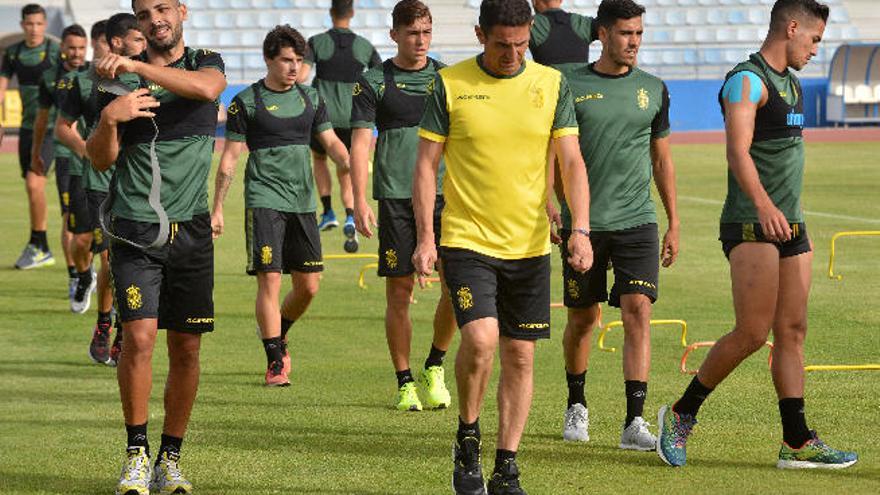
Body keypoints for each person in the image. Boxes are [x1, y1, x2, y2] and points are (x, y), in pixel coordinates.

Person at [656, 0, 858, 470]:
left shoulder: (792, 81)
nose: (815, 50)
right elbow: (737, 152)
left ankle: (796, 441)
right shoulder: (746, 80)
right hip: (751, 223)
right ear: (791, 28)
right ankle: (681, 414)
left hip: (791, 226)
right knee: (751, 332)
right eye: (813, 40)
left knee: (792, 331)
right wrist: (766, 207)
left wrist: (787, 214)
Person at [414, 1, 592, 492]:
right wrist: (426, 238)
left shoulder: (552, 85)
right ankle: (468, 434)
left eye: (520, 44)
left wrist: (581, 229)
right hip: (466, 239)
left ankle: (506, 464)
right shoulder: (449, 84)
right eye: (501, 44)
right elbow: (427, 165)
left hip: (530, 245)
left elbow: (572, 162)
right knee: (481, 339)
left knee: (520, 356)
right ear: (479, 34)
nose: (512, 54)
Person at [86, 0, 226, 492]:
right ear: (137, 22)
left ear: (182, 11)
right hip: (134, 231)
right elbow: (101, 161)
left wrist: (136, 65)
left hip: (191, 233)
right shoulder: (113, 83)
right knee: (140, 340)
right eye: (145, 13)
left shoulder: (207, 62)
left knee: (186, 347)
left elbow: (207, 90)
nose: (155, 19)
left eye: (163, 8)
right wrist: (110, 118)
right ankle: (136, 454)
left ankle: (171, 459)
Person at [554, 0, 679, 451]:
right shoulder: (568, 84)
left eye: (639, 33)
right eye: (626, 33)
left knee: (638, 311)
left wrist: (674, 221)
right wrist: (558, 211)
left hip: (637, 220)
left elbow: (662, 159)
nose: (634, 42)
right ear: (602, 34)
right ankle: (576, 403)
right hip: (583, 225)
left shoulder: (654, 88)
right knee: (584, 319)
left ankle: (634, 420)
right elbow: (558, 156)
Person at [211, 25, 348, 387]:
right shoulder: (248, 102)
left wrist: (349, 165)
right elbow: (228, 160)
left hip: (303, 202)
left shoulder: (311, 99)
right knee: (270, 280)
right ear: (269, 59)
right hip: (264, 200)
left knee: (309, 287)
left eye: (299, 60)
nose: (294, 67)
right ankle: (274, 361)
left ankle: (278, 331)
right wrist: (218, 208)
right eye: (286, 59)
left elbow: (331, 143)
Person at [350, 0, 456, 412]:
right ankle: (404, 381)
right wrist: (359, 198)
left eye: (426, 32)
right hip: (394, 196)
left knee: (455, 286)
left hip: (447, 196)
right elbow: (360, 143)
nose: (421, 41)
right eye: (413, 33)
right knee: (400, 291)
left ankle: (435, 364)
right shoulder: (374, 81)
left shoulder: (446, 77)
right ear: (394, 35)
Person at [56, 14, 146, 364]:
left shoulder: (149, 78)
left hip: (140, 183)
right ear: (117, 42)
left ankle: (124, 326)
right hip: (98, 181)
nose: (144, 44)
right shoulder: (83, 82)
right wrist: (88, 152)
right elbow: (63, 127)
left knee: (131, 258)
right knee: (106, 255)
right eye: (138, 38)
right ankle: (105, 322)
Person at [303, 0, 381, 251]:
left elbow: (302, 76)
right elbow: (380, 77)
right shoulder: (365, 46)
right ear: (353, 13)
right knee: (346, 165)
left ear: (331, 12)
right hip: (352, 116)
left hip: (323, 116)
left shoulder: (316, 42)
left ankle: (327, 212)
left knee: (319, 158)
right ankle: (350, 213)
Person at [1, 3, 61, 269]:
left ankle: (40, 246)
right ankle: (41, 245)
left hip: (51, 129)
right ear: (23, 25)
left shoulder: (55, 51)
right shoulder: (13, 53)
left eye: (39, 23)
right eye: (30, 24)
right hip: (27, 130)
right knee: (31, 187)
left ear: (45, 25)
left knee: (34, 185)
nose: (34, 28)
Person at [30, 23, 87, 301]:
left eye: (81, 48)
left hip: (95, 154)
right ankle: (74, 275)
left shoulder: (95, 72)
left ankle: (93, 273)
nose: (76, 53)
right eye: (71, 48)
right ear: (62, 48)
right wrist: (36, 152)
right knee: (68, 218)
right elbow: (42, 119)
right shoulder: (50, 77)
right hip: (66, 155)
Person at [530, 0, 597, 73]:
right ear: (561, 0)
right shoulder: (583, 23)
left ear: (534, 2)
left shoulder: (532, 24)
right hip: (583, 83)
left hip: (548, 83)